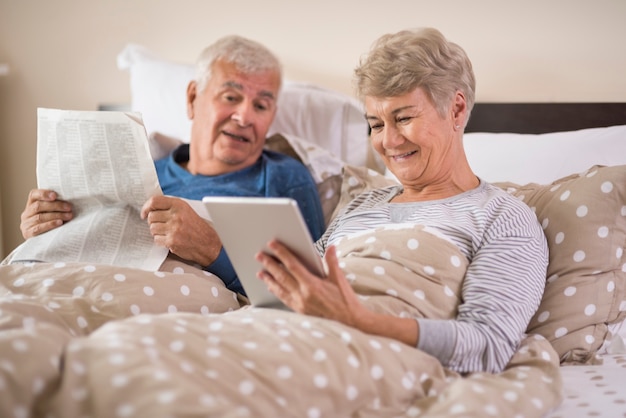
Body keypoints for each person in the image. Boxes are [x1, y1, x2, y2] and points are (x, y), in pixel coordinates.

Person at [255, 27, 549, 374]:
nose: (389, 141)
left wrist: (358, 320)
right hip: (276, 336)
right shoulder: (359, 205)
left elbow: (487, 346)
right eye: (376, 124)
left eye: (404, 118)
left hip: (355, 362)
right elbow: (294, 291)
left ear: (456, 110)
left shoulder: (502, 216)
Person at [18, 35, 326, 297]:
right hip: (83, 293)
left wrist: (213, 250)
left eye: (260, 105)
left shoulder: (286, 180)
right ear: (193, 97)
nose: (244, 117)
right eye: (231, 97)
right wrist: (43, 230)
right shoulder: (141, 172)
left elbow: (311, 294)